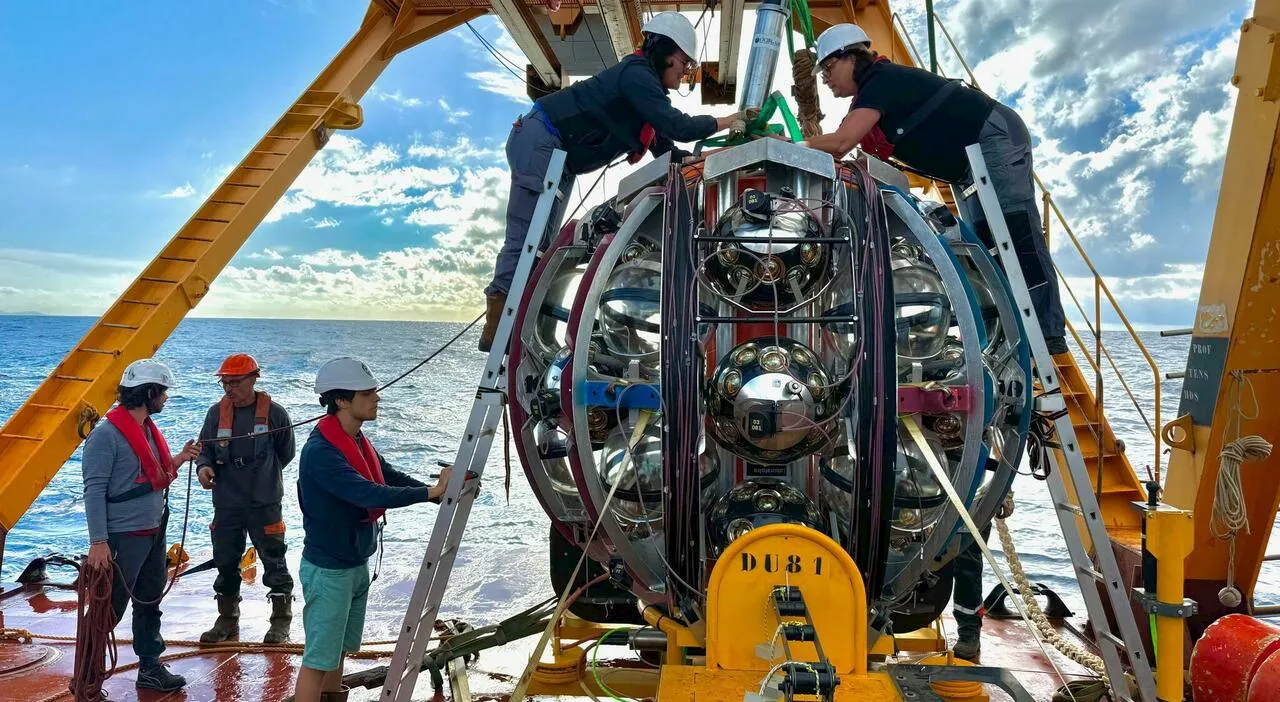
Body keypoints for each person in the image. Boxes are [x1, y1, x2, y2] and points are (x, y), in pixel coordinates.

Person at [478, 11, 758, 351]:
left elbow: (671, 153)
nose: (687, 71)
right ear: (666, 52)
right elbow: (678, 126)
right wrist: (729, 120)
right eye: (685, 62)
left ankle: (518, 327)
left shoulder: (644, 96)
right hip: (542, 138)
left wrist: (724, 157)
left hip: (559, 156)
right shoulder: (637, 76)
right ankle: (498, 327)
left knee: (544, 243)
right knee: (527, 238)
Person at [805, 23, 1068, 356]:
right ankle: (1010, 333)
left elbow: (841, 142)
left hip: (993, 138)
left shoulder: (879, 81)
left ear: (852, 58)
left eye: (828, 68)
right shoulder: (870, 94)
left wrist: (791, 145)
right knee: (983, 247)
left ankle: (1046, 331)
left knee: (1015, 233)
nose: (825, 78)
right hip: (965, 166)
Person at [292, 357, 452, 702]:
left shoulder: (355, 439)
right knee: (318, 659)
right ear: (341, 400)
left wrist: (433, 495)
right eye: (368, 393)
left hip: (353, 561)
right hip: (330, 568)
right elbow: (365, 491)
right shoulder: (321, 452)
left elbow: (386, 475)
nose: (377, 398)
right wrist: (428, 492)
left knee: (335, 653)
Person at [81, 359, 201, 693]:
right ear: (148, 392)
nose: (165, 398)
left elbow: (151, 476)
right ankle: (87, 677)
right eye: (162, 392)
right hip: (123, 536)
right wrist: (99, 542)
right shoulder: (106, 436)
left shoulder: (146, 428)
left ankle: (150, 667)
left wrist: (179, 458)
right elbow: (93, 491)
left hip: (152, 530)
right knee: (110, 606)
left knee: (149, 601)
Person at [195, 353, 297, 644]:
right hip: (226, 502)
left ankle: (280, 622)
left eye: (235, 382)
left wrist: (262, 475)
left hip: (264, 503)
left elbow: (285, 453)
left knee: (274, 560)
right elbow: (206, 449)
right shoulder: (216, 413)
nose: (229, 388)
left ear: (253, 379)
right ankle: (227, 619)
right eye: (225, 383)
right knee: (225, 560)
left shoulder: (275, 414)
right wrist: (204, 468)